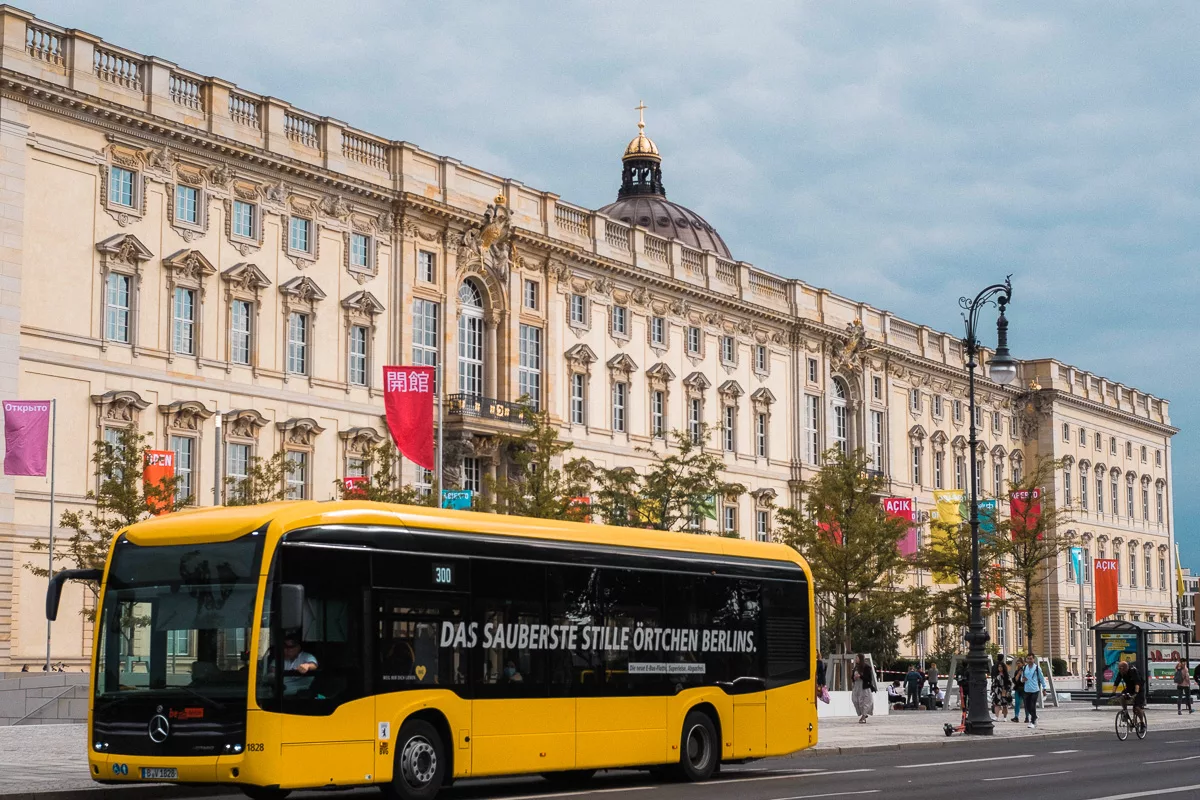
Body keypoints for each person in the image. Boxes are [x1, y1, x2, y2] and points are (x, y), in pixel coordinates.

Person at [1114, 659, 1146, 730]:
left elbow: (1137, 682)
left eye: (1121, 668)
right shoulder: (1121, 673)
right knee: (1122, 697)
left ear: (1125, 668)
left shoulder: (1133, 671)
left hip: (1139, 689)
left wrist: (1136, 693)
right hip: (1129, 688)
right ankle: (1125, 712)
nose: (1119, 670)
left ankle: (1142, 723)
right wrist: (1113, 692)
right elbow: (1116, 682)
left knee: (1137, 708)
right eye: (1119, 668)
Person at [1020, 654, 1047, 729]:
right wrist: (1022, 680)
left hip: (1035, 689)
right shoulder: (1024, 668)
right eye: (1028, 659)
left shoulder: (1037, 668)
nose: (1029, 660)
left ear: (1033, 659)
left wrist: (1044, 688)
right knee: (1027, 706)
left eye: (1031, 659)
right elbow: (1021, 678)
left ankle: (1032, 721)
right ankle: (1035, 716)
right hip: (1027, 689)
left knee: (1032, 705)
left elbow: (1041, 678)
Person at [851, 653, 876, 723]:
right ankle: (863, 713)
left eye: (857, 658)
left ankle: (863, 716)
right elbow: (852, 677)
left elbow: (869, 679)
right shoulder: (856, 667)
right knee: (855, 700)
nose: (856, 659)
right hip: (856, 686)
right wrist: (854, 678)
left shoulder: (867, 667)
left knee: (864, 702)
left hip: (864, 687)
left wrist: (860, 676)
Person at [1011, 658, 1025, 722]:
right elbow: (1015, 680)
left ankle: (1027, 717)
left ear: (1022, 663)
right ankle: (1016, 716)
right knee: (1017, 703)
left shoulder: (1025, 670)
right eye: (1017, 663)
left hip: (1024, 689)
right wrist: (1018, 674)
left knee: (1026, 703)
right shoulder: (1017, 671)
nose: (1018, 665)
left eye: (1019, 663)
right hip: (1018, 688)